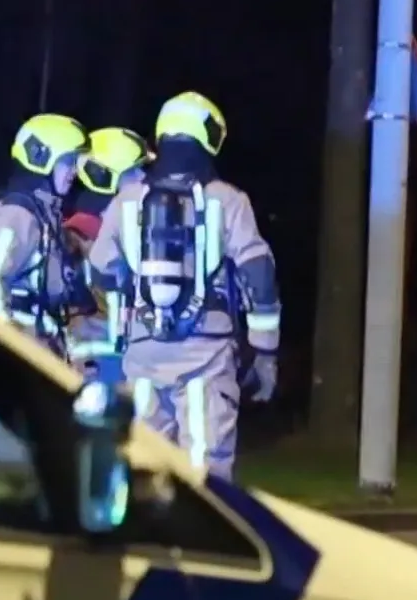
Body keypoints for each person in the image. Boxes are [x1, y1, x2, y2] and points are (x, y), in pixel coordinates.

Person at [87, 92, 281, 478]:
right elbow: (259, 275)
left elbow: (99, 272)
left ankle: (145, 536)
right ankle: (202, 537)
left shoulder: (127, 200)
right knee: (204, 472)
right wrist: (265, 351)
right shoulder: (228, 200)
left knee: (143, 465)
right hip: (205, 357)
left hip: (142, 355)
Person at [0, 112, 89, 462]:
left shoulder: (42, 212)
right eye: (68, 161)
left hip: (32, 354)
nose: (74, 171)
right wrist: (6, 346)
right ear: (41, 158)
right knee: (12, 463)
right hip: (13, 360)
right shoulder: (17, 214)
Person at [64, 126, 153, 382]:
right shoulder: (86, 231)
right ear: (103, 176)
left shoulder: (122, 223)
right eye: (132, 171)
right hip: (98, 361)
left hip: (122, 356)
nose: (142, 177)